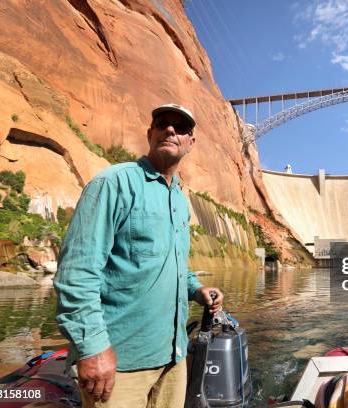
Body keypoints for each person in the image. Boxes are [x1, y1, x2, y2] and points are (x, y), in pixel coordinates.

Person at [54, 103, 223, 408]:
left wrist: (197, 289)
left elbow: (173, 266)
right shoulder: (114, 183)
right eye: (162, 124)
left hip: (173, 358)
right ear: (150, 134)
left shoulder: (179, 200)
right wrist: (93, 348)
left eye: (181, 128)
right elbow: (76, 273)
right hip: (119, 364)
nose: (170, 130)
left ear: (190, 143)